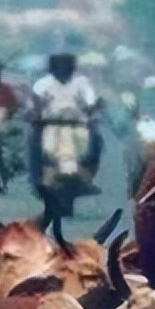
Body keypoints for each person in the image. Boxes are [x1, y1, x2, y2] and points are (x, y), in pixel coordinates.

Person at [30, 53, 104, 208]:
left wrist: (93, 109)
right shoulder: (43, 84)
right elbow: (35, 105)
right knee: (35, 146)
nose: (63, 71)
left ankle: (88, 175)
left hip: (78, 127)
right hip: (50, 126)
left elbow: (90, 103)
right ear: (52, 69)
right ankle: (36, 180)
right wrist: (35, 114)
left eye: (66, 67)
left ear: (72, 68)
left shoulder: (82, 83)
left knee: (96, 142)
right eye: (59, 67)